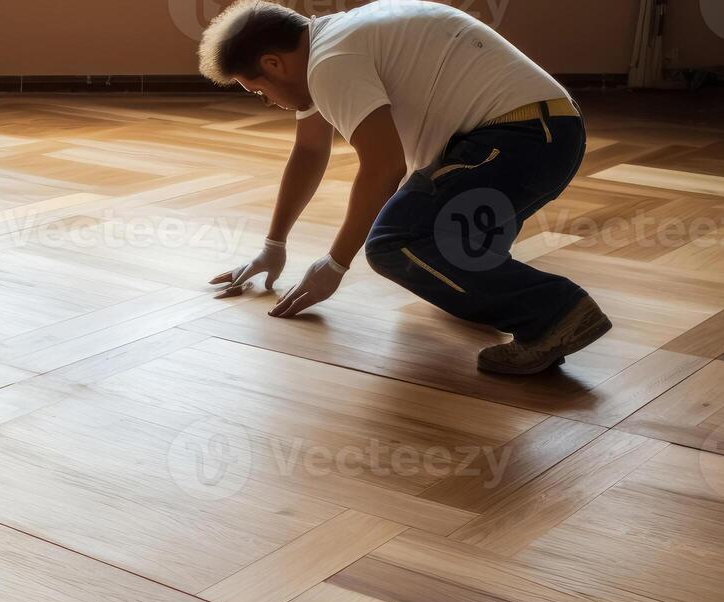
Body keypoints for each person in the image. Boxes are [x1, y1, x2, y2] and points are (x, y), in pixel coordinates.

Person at [201, 0, 610, 375]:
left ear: (274, 63)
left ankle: (557, 312)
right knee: (449, 265)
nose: (268, 102)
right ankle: (509, 290)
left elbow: (383, 168)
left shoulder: (330, 61)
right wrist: (274, 245)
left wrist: (335, 264)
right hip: (541, 135)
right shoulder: (334, 43)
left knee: (394, 241)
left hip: (519, 140)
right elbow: (309, 152)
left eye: (259, 92)